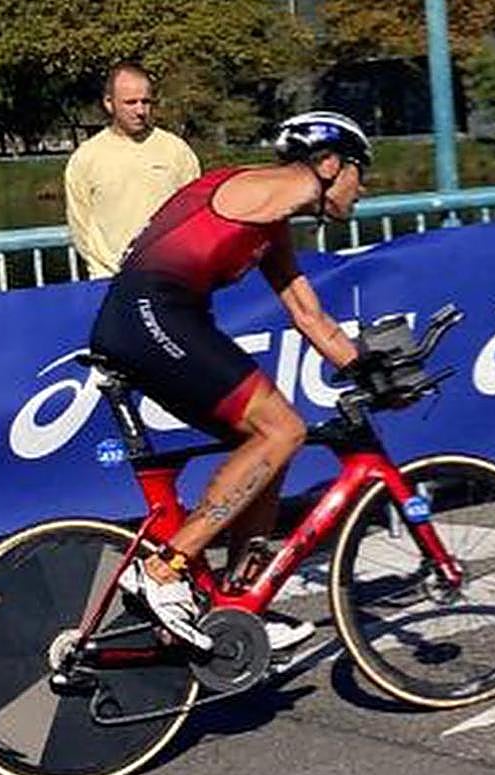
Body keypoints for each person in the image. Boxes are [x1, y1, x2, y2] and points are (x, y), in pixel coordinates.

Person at [88, 111, 371, 651]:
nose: (363, 189)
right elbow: (268, 194)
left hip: (160, 316)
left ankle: (240, 599)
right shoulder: (265, 189)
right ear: (330, 164)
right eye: (359, 171)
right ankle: (165, 569)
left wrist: (362, 366)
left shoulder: (272, 222)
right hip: (154, 313)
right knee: (282, 428)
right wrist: (309, 187)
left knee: (267, 443)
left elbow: (308, 315)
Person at [65, 62, 201, 279]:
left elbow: (195, 214)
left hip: (170, 278)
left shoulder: (176, 150)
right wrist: (104, 269)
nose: (140, 111)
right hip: (110, 281)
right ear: (109, 103)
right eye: (130, 102)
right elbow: (80, 225)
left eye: (145, 102)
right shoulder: (86, 158)